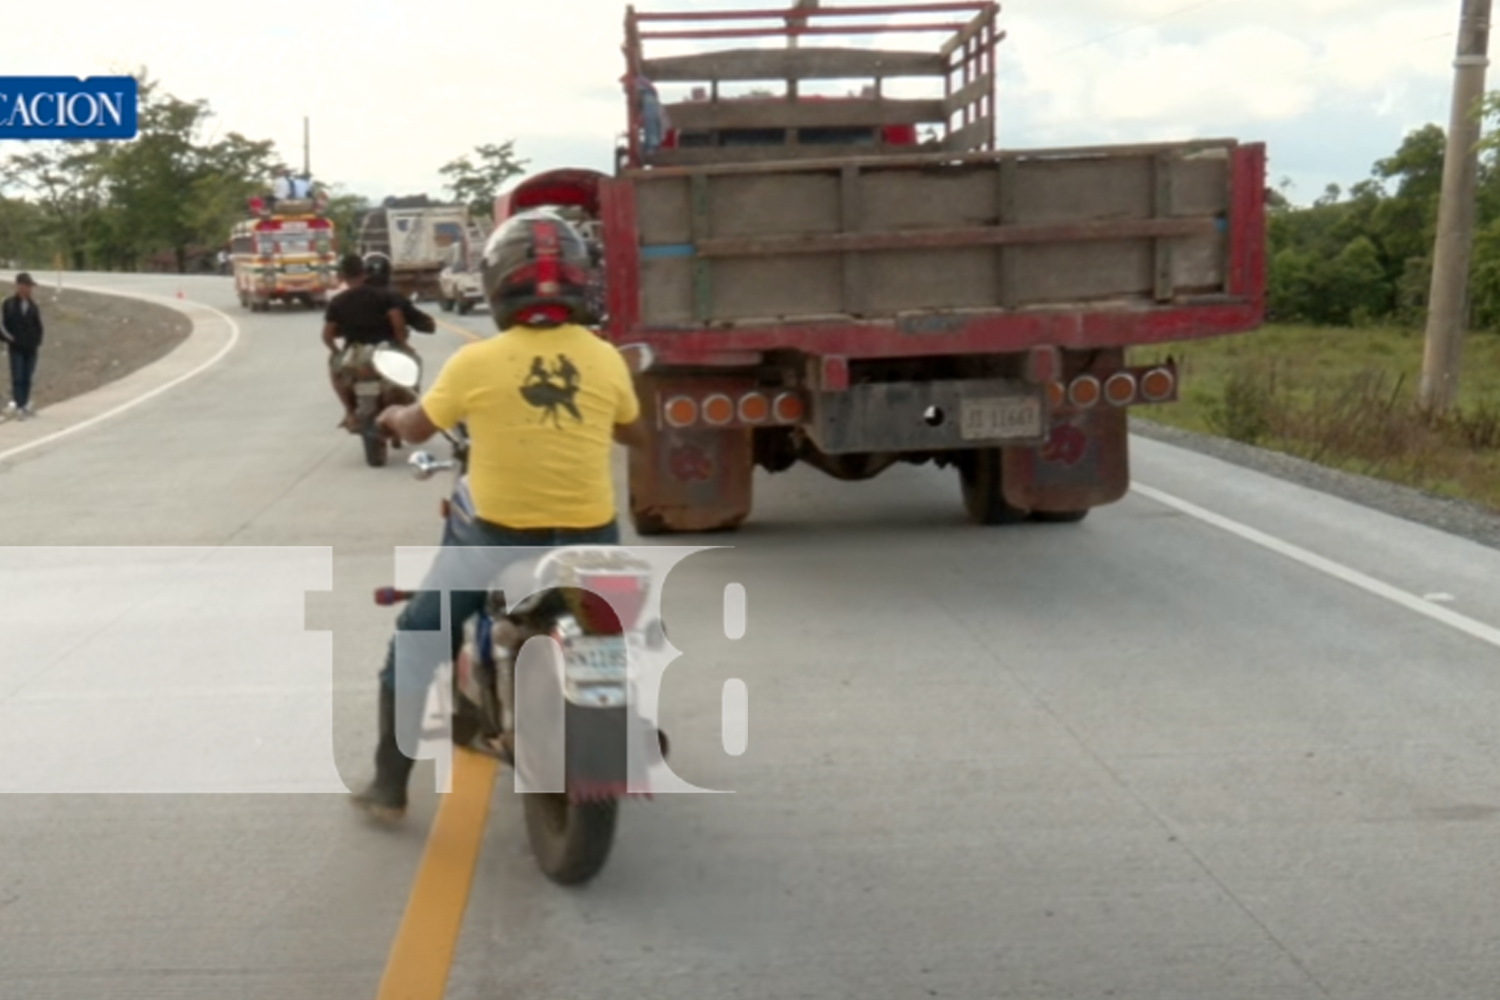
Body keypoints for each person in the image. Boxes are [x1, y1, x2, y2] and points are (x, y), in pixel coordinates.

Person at [350, 209, 647, 823]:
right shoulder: (605, 358)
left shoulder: (475, 363)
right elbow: (634, 432)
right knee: (618, 629)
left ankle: (388, 786)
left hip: (497, 539)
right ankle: (622, 721)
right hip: (591, 539)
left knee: (416, 640)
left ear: (497, 283)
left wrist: (388, 418)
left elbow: (414, 425)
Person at [322, 254, 408, 430]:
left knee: (334, 369)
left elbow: (327, 335)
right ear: (364, 273)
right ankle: (406, 408)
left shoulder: (337, 302)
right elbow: (398, 324)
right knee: (411, 367)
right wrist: (403, 344)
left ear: (342, 277)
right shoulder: (385, 296)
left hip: (354, 354)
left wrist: (335, 351)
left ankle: (350, 411)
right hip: (386, 350)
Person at [1, 273, 44, 420]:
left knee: (28, 376)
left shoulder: (33, 306)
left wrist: (37, 341)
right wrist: (10, 339)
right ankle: (19, 405)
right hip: (16, 347)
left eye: (30, 286)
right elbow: (3, 326)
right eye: (27, 286)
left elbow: (38, 326)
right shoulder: (9, 304)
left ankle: (25, 403)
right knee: (17, 377)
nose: (29, 289)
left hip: (31, 347)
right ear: (19, 286)